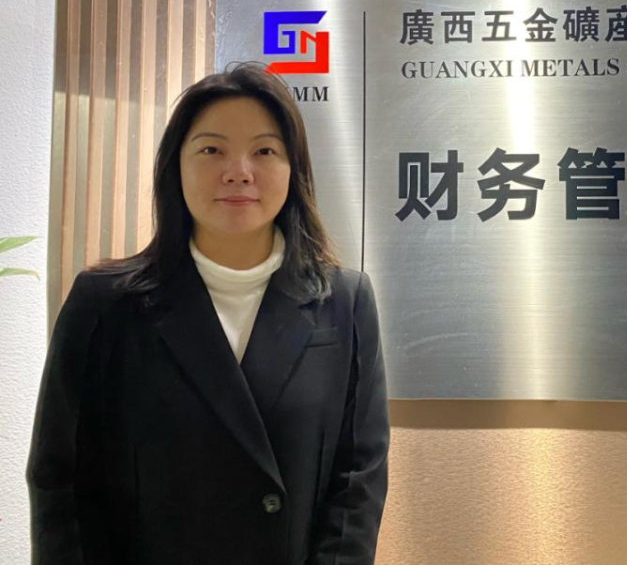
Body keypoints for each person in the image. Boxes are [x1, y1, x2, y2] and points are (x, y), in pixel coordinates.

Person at [26, 63, 389, 565]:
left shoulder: (344, 302)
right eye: (211, 150)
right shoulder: (104, 303)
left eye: (265, 151)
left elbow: (358, 481)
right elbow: (59, 480)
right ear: (175, 166)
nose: (239, 170)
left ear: (294, 170)